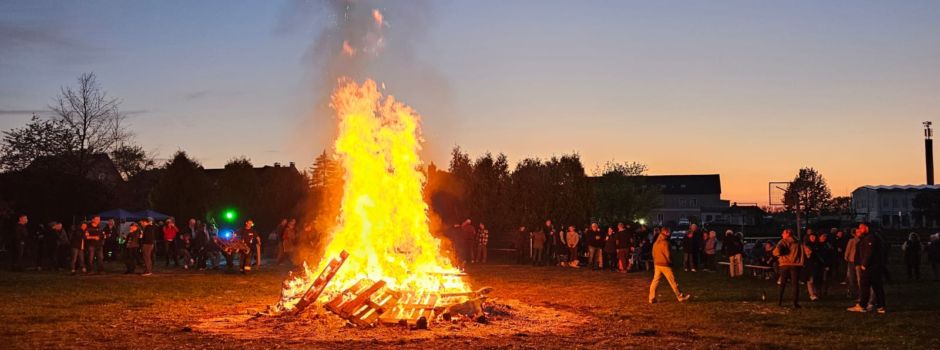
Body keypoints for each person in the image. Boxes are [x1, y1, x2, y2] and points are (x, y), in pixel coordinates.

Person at [847, 224, 886, 313]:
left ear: (866, 228)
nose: (859, 230)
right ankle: (881, 306)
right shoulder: (868, 237)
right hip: (875, 266)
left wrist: (864, 264)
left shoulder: (870, 238)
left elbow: (869, 252)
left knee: (865, 285)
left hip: (870, 267)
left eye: (861, 228)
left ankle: (862, 305)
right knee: (877, 286)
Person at [649, 227, 691, 304]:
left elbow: (653, 253)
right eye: (669, 232)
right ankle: (680, 296)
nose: (670, 234)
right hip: (665, 265)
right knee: (673, 281)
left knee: (655, 281)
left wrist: (655, 261)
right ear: (666, 232)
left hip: (657, 264)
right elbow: (668, 254)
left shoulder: (656, 242)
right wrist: (671, 262)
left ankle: (651, 298)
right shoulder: (665, 243)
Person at [773, 229, 812, 308]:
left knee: (782, 283)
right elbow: (808, 251)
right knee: (795, 284)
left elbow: (776, 252)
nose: (782, 234)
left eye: (783, 233)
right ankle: (795, 303)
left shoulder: (783, 241)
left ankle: (779, 302)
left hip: (784, 264)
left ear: (788, 234)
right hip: (796, 265)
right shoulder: (798, 242)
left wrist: (779, 254)